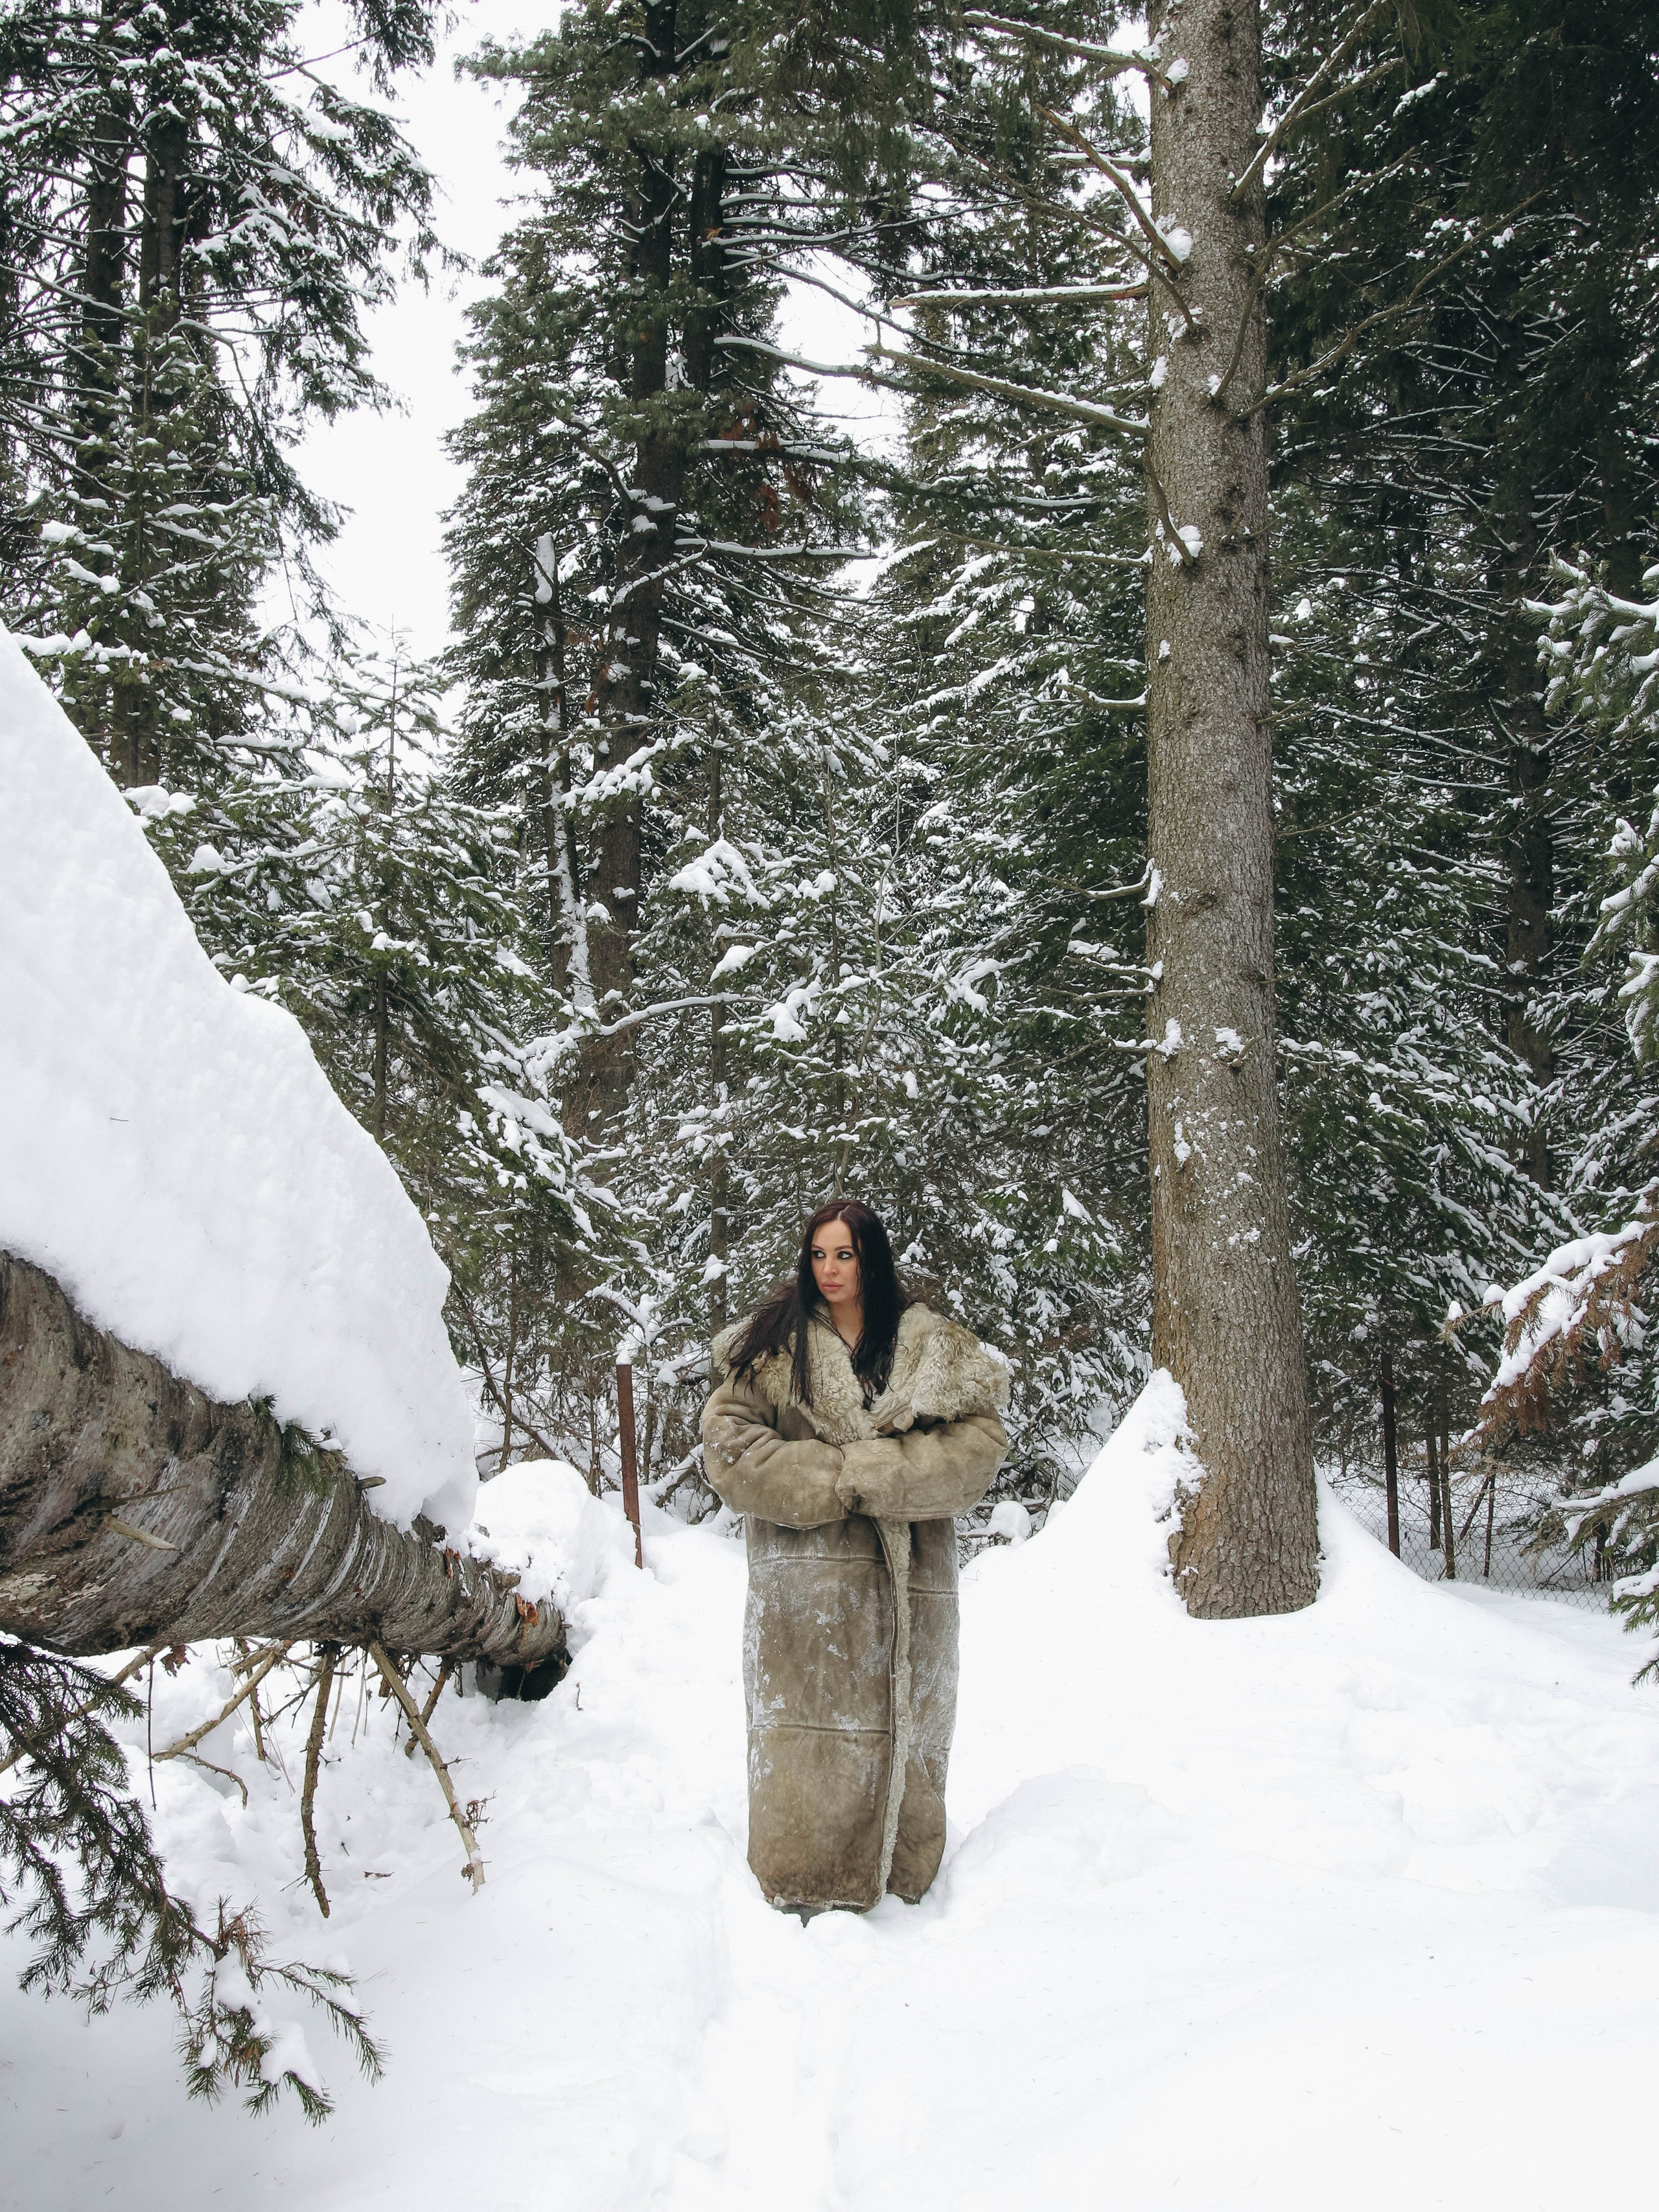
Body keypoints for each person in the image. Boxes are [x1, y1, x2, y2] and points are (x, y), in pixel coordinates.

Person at [702, 1200, 1009, 1913]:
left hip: (910, 1587)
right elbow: (729, 1447)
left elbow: (979, 1447)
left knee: (910, 1721)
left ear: (872, 1259)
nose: (830, 1270)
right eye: (818, 1254)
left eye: (845, 1255)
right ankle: (801, 1870)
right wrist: (835, 1478)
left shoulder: (932, 1347)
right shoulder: (772, 1346)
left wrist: (888, 1473)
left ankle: (902, 1872)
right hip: (805, 1589)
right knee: (804, 1724)